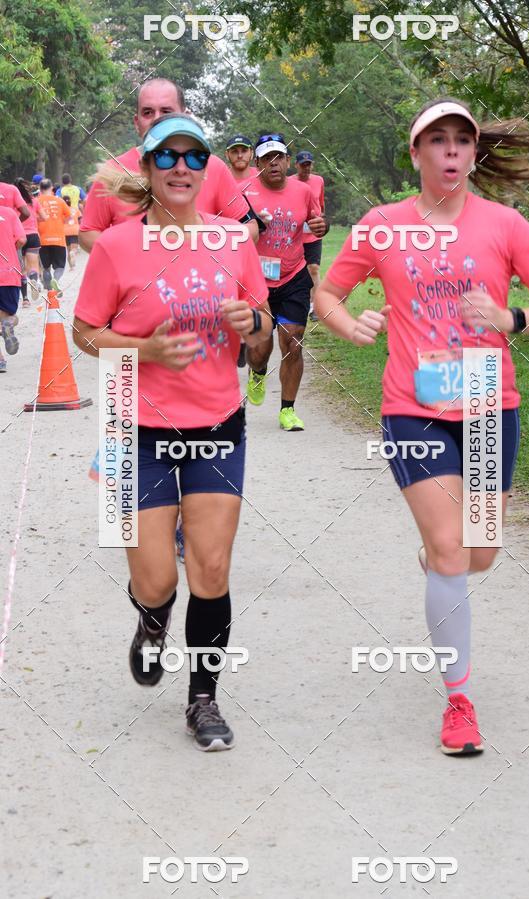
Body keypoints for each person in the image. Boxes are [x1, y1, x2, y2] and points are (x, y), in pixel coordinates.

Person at [314, 97, 529, 755]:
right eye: (438, 141)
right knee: (453, 548)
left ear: (473, 153)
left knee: (476, 553)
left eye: (462, 140)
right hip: (413, 405)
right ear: (417, 154)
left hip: (489, 402)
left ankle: (439, 558)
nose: (452, 151)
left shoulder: (505, 224)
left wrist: (509, 318)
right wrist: (351, 326)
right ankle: (459, 701)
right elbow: (326, 293)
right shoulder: (381, 226)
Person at [73, 113, 271, 751]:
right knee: (157, 578)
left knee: (211, 568)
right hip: (133, 425)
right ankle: (151, 622)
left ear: (206, 168)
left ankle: (204, 702)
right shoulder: (117, 246)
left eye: (193, 156)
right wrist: (145, 351)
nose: (181, 167)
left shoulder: (233, 241)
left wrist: (254, 325)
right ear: (150, 170)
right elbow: (85, 333)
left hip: (217, 422)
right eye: (167, 157)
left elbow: (265, 336)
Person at [79, 78, 258, 252]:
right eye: (148, 112)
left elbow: (250, 229)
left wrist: (200, 245)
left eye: (166, 111)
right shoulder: (113, 171)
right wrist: (131, 256)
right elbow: (87, 232)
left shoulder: (213, 166)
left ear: (185, 116)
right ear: (137, 122)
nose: (157, 120)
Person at [245, 132, 326, 431]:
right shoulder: (242, 191)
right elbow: (226, 230)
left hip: (293, 276)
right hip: (255, 280)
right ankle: (257, 371)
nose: (274, 162)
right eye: (267, 158)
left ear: (288, 161)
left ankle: (287, 410)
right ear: (258, 163)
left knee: (293, 341)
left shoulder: (303, 191)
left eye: (279, 156)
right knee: (259, 349)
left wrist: (323, 226)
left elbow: (317, 224)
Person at [225, 134, 262, 369]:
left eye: (244, 150)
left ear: (251, 154)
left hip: (263, 249)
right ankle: (238, 342)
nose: (239, 155)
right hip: (231, 248)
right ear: (227, 154)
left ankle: (255, 345)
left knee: (257, 300)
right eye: (234, 151)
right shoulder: (222, 179)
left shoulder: (262, 178)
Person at [290, 151, 326, 321]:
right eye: (303, 164)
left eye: (309, 164)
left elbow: (321, 203)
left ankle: (316, 307)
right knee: (294, 270)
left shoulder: (318, 180)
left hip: (313, 233)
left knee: (313, 268)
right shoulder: (289, 182)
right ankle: (294, 303)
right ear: (296, 165)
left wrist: (319, 220)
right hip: (295, 233)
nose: (306, 168)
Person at [0, 203, 26, 372]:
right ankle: (8, 324)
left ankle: (0, 361)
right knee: (8, 316)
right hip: (8, 272)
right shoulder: (9, 213)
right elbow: (22, 239)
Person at [15, 178, 46, 305]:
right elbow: (44, 217)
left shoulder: (14, 202)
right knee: (33, 266)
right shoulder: (34, 201)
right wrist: (34, 217)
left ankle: (25, 299)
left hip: (19, 236)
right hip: (33, 235)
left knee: (22, 269)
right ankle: (34, 279)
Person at [37, 178, 70, 288]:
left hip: (42, 240)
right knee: (60, 266)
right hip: (58, 239)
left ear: (40, 189)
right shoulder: (59, 201)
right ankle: (55, 279)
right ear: (51, 188)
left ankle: (48, 289)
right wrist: (61, 222)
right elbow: (68, 215)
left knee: (45, 267)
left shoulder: (36, 201)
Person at [62, 195, 81, 270]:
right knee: (74, 248)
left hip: (65, 231)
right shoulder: (75, 209)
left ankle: (71, 267)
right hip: (75, 230)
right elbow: (80, 219)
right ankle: (73, 252)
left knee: (68, 249)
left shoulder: (62, 211)